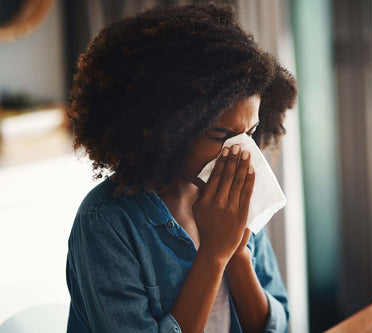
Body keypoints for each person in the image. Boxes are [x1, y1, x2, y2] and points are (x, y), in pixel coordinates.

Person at [65, 4, 297, 333]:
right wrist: (215, 253)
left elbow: (279, 326)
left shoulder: (233, 195)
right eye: (221, 136)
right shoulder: (106, 222)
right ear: (169, 130)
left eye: (249, 133)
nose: (242, 152)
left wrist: (237, 253)